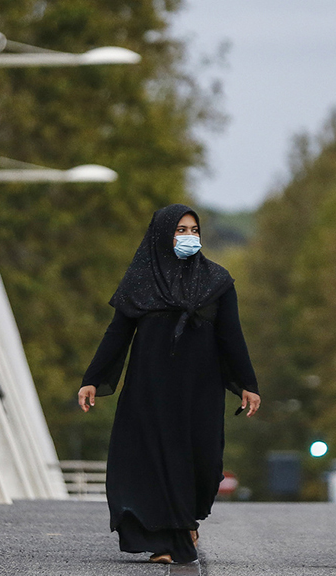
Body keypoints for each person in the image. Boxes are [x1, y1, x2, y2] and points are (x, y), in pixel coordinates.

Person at [78, 203, 261, 565]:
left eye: (194, 230)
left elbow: (232, 337)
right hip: (150, 390)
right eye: (180, 230)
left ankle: (185, 520)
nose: (188, 237)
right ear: (162, 235)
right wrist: (94, 379)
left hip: (199, 392)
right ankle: (170, 540)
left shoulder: (217, 281)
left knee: (201, 461)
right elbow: (118, 333)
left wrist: (247, 384)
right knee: (155, 460)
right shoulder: (140, 282)